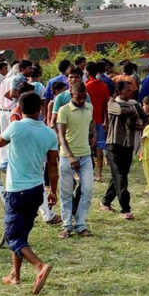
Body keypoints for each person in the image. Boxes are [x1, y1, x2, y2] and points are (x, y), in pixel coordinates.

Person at [0, 91, 57, 294]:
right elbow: (52, 165)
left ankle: (40, 266)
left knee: (13, 235)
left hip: (17, 190)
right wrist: (53, 191)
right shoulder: (49, 133)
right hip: (36, 189)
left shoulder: (16, 126)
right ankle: (15, 275)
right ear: (40, 108)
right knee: (22, 234)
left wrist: (13, 118)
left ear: (20, 109)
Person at [56, 80, 95, 238]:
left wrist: (95, 135)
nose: (81, 100)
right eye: (78, 97)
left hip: (85, 155)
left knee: (87, 190)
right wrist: (71, 156)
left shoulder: (89, 107)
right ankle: (66, 225)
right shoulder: (64, 110)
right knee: (66, 192)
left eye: (83, 97)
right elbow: (61, 135)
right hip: (67, 156)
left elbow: (91, 122)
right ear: (71, 95)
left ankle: (81, 224)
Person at [101, 79, 143, 219]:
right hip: (114, 143)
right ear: (119, 91)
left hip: (129, 144)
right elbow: (120, 111)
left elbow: (146, 118)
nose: (130, 93)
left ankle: (106, 202)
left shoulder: (134, 104)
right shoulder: (112, 103)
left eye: (131, 90)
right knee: (120, 176)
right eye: (127, 90)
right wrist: (134, 110)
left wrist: (141, 125)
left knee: (121, 176)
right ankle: (125, 209)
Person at [85, 61, 111, 183]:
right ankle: (99, 175)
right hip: (99, 120)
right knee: (100, 147)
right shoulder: (103, 86)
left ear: (88, 72)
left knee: (86, 147)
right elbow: (106, 105)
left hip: (86, 120)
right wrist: (107, 120)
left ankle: (86, 173)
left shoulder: (86, 86)